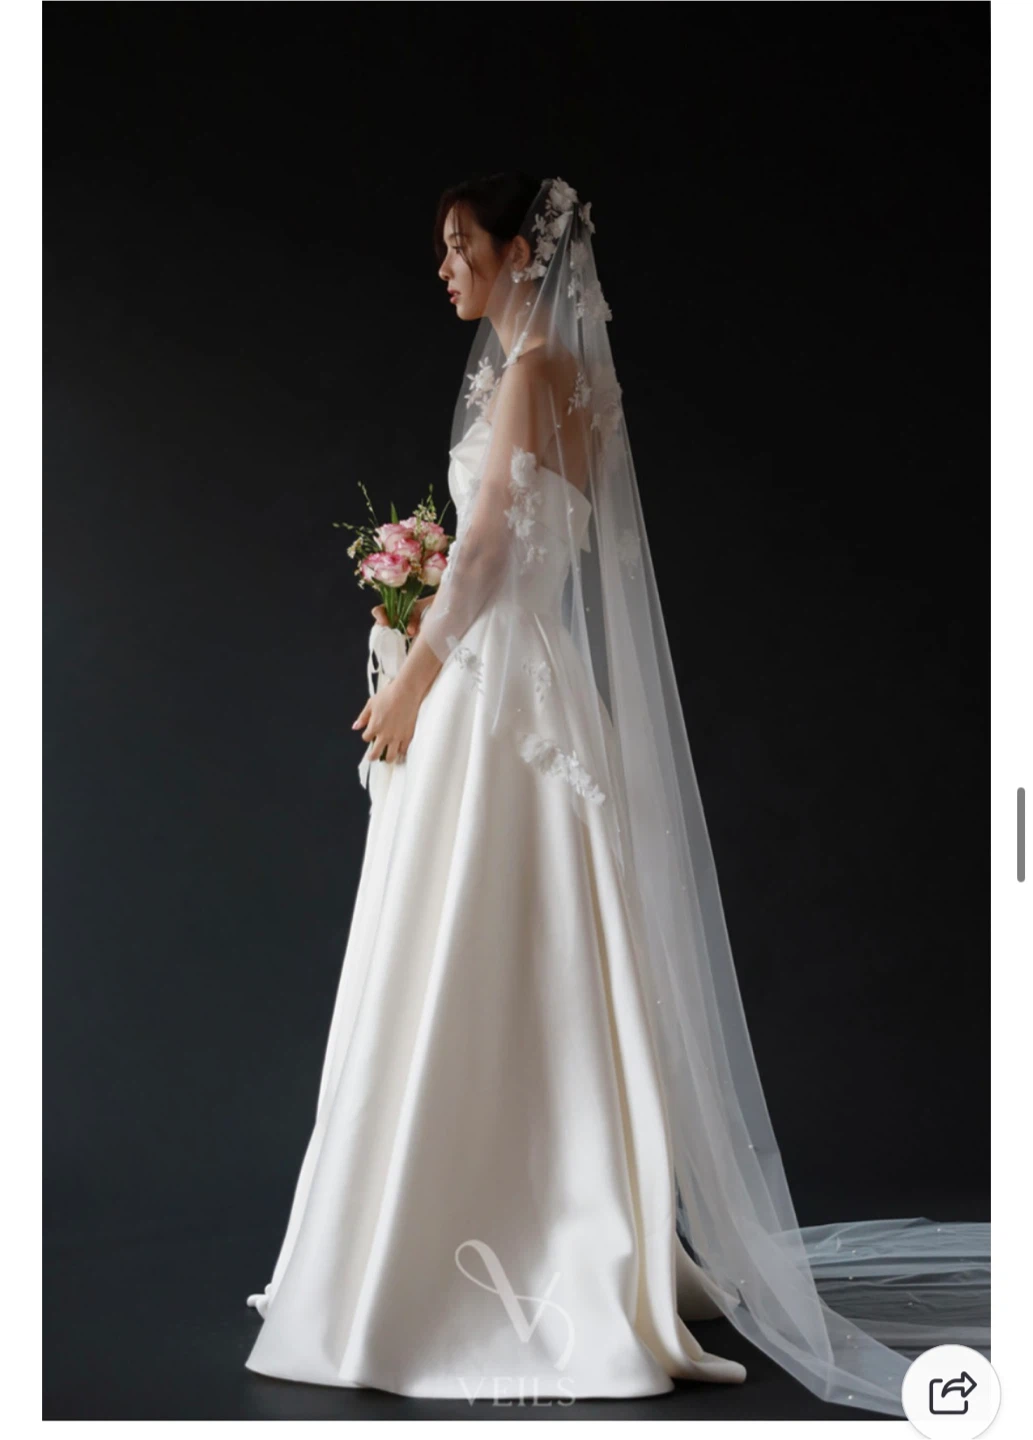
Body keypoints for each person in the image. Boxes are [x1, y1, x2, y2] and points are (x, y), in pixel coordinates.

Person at [244, 173, 988, 1412]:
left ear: (516, 251)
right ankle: (535, 1213)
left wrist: (415, 674)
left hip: (499, 698)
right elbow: (516, 545)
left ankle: (449, 1245)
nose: (444, 268)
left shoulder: (532, 374)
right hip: (533, 683)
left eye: (459, 245)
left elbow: (492, 548)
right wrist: (422, 614)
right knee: (513, 946)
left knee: (474, 944)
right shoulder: (564, 378)